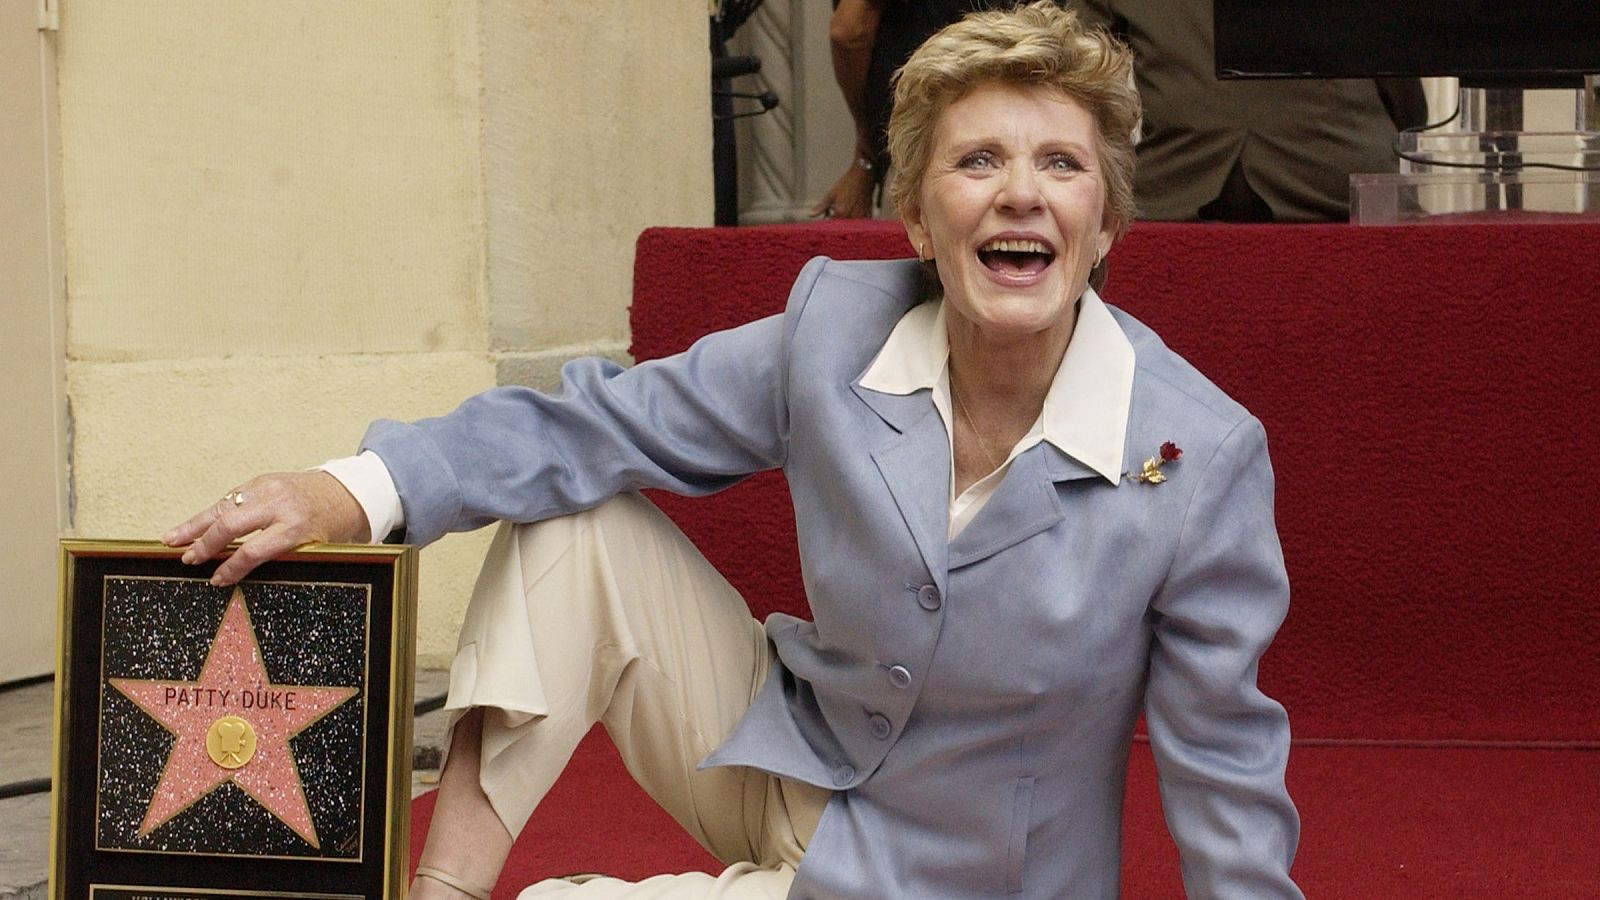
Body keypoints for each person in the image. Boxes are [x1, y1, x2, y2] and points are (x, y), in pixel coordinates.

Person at [168, 4, 1302, 897]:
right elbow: (591, 426)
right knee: (579, 512)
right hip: (788, 766)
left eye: (1061, 165)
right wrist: (352, 490)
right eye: (977, 163)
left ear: (1105, 224)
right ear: (914, 215)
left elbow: (1222, 769)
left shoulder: (1194, 454)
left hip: (956, 880)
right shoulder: (833, 332)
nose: (1020, 193)